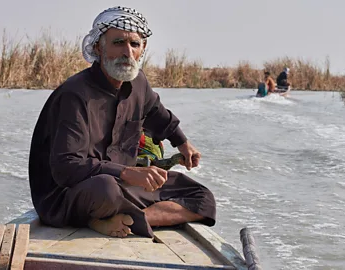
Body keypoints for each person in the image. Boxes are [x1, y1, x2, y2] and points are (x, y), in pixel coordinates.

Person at [28, 6, 216, 239]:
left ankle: (130, 220)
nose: (127, 52)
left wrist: (183, 143)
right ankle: (107, 216)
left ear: (142, 49)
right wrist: (128, 172)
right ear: (99, 47)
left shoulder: (139, 84)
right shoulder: (75, 94)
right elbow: (66, 167)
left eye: (134, 44)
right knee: (106, 189)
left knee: (202, 197)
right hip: (71, 193)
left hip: (122, 185)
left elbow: (157, 112)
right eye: (118, 43)